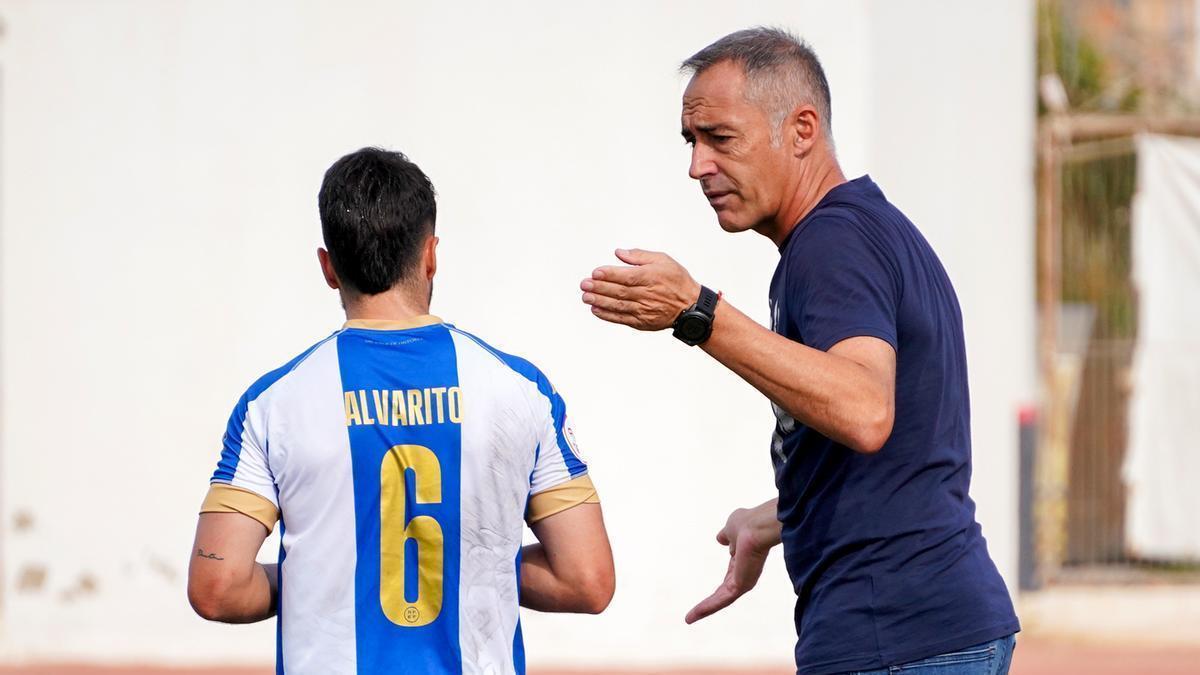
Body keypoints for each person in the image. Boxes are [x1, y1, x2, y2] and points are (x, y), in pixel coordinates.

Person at [581, 28, 1018, 675]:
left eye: (719, 138)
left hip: (897, 636)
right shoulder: (864, 231)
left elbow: (866, 410)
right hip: (930, 626)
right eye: (691, 141)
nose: (698, 165)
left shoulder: (831, 244)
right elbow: (902, 458)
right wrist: (778, 515)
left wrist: (698, 312)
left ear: (802, 129)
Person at [188, 147, 614, 673]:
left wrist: (329, 573)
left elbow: (218, 588)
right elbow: (586, 580)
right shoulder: (522, 389)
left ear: (327, 266)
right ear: (431, 254)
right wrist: (459, 565)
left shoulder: (271, 403)